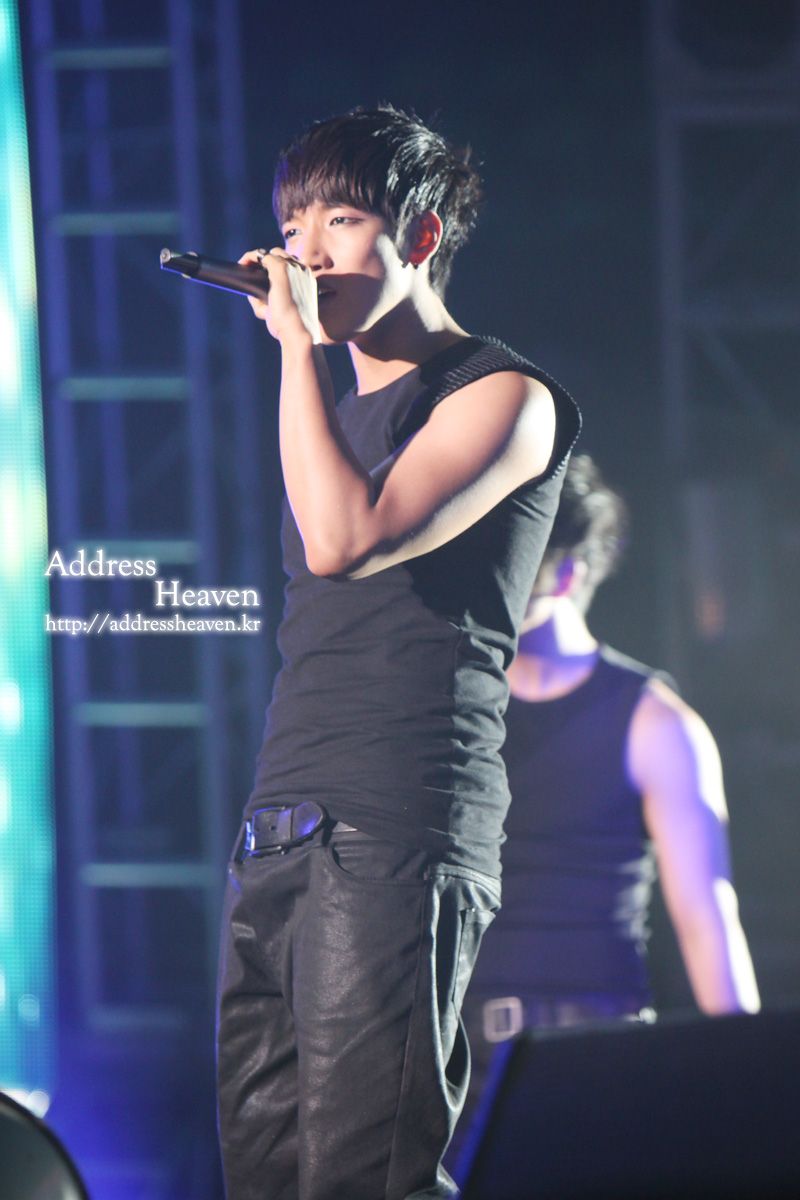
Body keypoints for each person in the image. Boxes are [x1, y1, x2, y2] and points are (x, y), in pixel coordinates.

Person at [214, 106, 581, 1200]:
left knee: (363, 1181)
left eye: (338, 220)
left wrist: (294, 349)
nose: (304, 252)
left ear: (420, 237)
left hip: (395, 827)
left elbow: (345, 541)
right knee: (266, 1180)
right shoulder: (330, 419)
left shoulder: (504, 397)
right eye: (292, 225)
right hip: (280, 823)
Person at [460, 453, 760, 1076]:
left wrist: (754, 1077)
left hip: (597, 1053)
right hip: (456, 1057)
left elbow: (707, 917)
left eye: (514, 557)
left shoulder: (657, 722)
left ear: (567, 572)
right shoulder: (453, 703)